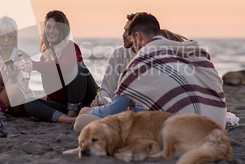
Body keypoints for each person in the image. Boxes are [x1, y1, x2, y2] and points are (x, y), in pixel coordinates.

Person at [76, 12, 226, 133]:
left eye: (131, 36)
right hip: (217, 124)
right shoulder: (190, 51)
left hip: (183, 130)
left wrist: (89, 111)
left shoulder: (141, 61)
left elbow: (115, 109)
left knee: (82, 121)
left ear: (138, 36)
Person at [93, 14, 188, 106]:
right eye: (124, 30)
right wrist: (99, 100)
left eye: (128, 31)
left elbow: (120, 104)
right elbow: (107, 89)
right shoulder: (119, 55)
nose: (124, 34)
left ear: (138, 35)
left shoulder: (149, 59)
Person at [23, 10, 98, 124]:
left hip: (87, 101)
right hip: (64, 106)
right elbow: (51, 92)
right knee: (29, 102)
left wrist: (35, 65)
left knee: (78, 67)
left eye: (56, 27)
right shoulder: (45, 57)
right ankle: (66, 119)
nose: (51, 31)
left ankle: (72, 113)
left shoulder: (71, 47)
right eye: (48, 27)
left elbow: (67, 66)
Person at [0, 16, 33, 116]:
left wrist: (14, 79)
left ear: (15, 36)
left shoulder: (24, 58)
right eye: (2, 36)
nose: (6, 40)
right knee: (10, 89)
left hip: (18, 106)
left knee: (13, 88)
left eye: (10, 36)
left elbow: (23, 90)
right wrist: (1, 84)